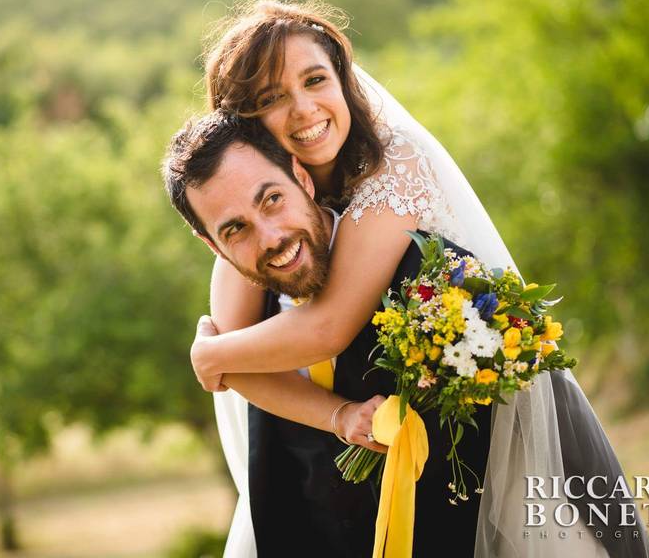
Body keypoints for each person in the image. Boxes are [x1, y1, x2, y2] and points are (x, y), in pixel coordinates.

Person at [188, 0, 649, 557]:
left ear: (342, 79)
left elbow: (325, 328)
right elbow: (241, 364)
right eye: (272, 99)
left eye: (315, 80)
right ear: (244, 125)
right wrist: (328, 412)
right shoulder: (256, 223)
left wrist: (212, 357)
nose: (304, 109)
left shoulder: (394, 167)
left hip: (485, 411)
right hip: (344, 456)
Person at [163, 110, 492, 556]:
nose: (273, 237)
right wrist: (340, 417)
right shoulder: (240, 315)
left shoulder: (427, 277)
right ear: (212, 245)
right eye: (236, 229)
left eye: (272, 199)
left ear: (302, 176)